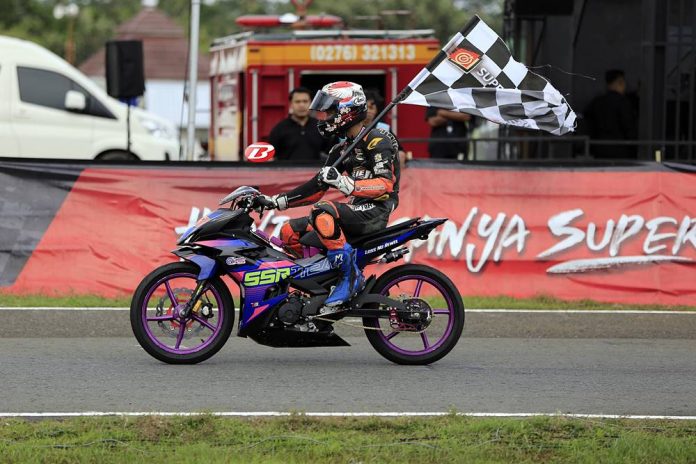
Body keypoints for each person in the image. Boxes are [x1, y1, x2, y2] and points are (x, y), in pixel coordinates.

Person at [262, 81, 401, 314]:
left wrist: (345, 183)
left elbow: (385, 186)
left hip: (376, 211)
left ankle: (350, 277)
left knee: (322, 210)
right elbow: (317, 188)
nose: (324, 118)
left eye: (329, 112)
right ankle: (322, 284)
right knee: (289, 231)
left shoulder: (378, 139)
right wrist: (275, 201)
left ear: (347, 111)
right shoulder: (341, 149)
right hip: (356, 209)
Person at [584, 70, 638, 159]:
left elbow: (588, 124)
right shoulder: (623, 103)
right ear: (620, 82)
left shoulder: (597, 102)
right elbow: (629, 128)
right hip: (621, 151)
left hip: (599, 150)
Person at [268, 87, 329, 161]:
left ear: (311, 103)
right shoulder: (279, 129)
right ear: (291, 104)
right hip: (287, 168)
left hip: (315, 168)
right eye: (297, 101)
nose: (301, 105)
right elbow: (270, 158)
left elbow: (331, 153)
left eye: (305, 101)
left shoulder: (320, 127)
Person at [364, 89, 409, 168]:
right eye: (366, 108)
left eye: (371, 108)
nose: (368, 111)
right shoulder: (351, 128)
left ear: (376, 110)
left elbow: (399, 150)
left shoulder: (383, 128)